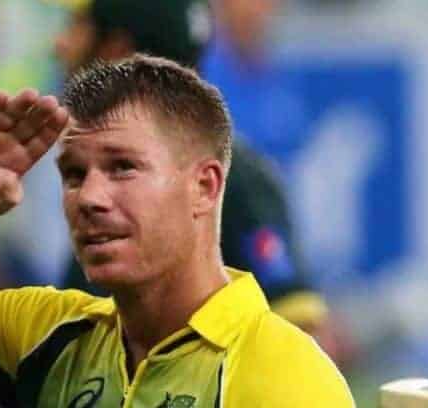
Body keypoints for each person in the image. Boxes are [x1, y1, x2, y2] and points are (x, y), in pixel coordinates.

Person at [0, 54, 354, 406]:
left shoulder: (283, 374)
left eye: (123, 168)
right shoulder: (46, 334)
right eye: (73, 174)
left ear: (205, 187)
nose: (89, 197)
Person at [53, 0, 329, 333]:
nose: (60, 45)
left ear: (116, 50)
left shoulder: (238, 183)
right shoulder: (96, 179)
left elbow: (297, 329)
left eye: (77, 27)